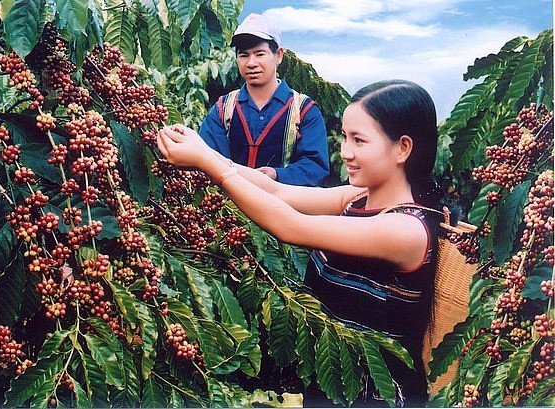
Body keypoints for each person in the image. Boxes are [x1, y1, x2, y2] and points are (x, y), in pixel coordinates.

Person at [157, 79, 443, 406]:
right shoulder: (356, 199)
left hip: (377, 396)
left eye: (359, 141)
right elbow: (277, 192)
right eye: (345, 137)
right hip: (334, 384)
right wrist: (206, 154)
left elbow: (291, 226)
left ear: (402, 148)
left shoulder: (405, 229)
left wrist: (211, 166)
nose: (345, 152)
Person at [199, 13, 330, 186]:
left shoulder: (303, 110)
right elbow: (207, 157)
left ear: (279, 56)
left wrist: (278, 174)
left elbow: (316, 165)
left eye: (260, 54)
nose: (251, 63)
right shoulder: (224, 108)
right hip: (229, 208)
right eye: (244, 55)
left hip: (285, 208)